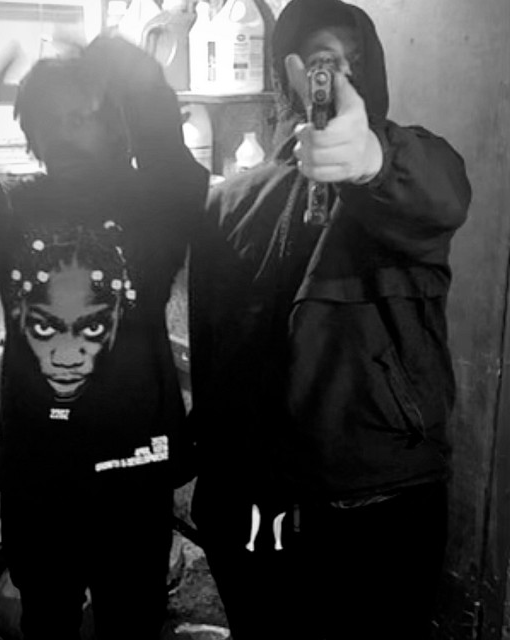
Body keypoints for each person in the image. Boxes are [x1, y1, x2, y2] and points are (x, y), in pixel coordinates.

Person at [188, 1, 471, 639]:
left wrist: (370, 160)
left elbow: (443, 194)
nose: (337, 77)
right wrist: (218, 488)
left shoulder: (412, 169)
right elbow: (212, 352)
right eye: (321, 61)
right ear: (289, 77)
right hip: (262, 505)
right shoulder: (231, 203)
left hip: (386, 499)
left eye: (355, 62)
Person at [0, 36, 208, 640]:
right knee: (47, 623)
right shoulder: (15, 210)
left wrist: (137, 77)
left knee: (132, 623)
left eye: (80, 116)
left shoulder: (153, 207)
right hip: (38, 477)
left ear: (114, 125)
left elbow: (180, 174)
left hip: (133, 473)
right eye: (47, 122)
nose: (63, 134)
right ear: (31, 136)